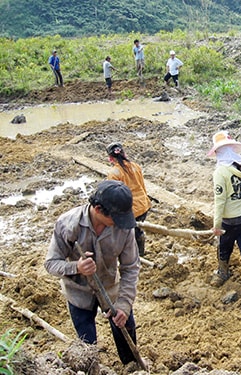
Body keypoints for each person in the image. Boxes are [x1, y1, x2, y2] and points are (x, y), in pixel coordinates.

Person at [45, 180, 140, 365]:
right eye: (116, 218)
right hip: (78, 294)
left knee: (126, 329)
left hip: (111, 289)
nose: (119, 224)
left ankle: (133, 368)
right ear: (98, 209)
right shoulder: (67, 224)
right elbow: (51, 264)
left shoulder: (124, 229)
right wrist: (76, 267)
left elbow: (131, 267)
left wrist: (124, 304)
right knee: (87, 346)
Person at [207, 131, 241, 292]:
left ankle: (223, 272)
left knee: (224, 247)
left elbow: (219, 201)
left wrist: (216, 225)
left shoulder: (220, 172)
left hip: (231, 219)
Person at [106, 142, 151, 257]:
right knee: (138, 230)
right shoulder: (136, 166)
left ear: (111, 158)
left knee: (127, 233)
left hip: (131, 209)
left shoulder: (114, 173)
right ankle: (140, 252)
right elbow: (142, 185)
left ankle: (133, 256)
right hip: (143, 205)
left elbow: (115, 197)